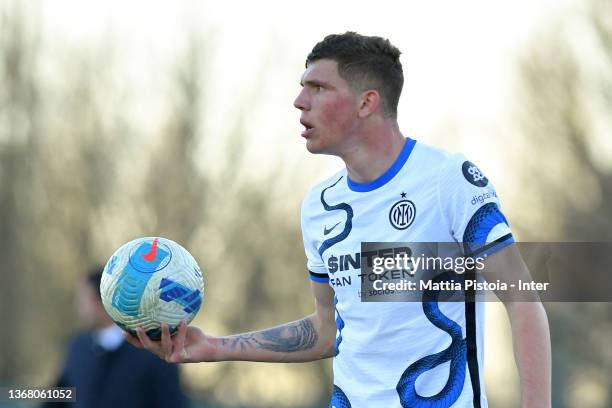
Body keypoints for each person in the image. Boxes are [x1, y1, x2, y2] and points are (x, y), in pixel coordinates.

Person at [126, 32, 551, 407]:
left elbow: (522, 300)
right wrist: (215, 346)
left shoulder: (447, 181)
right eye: (301, 87)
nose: (299, 101)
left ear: (367, 102)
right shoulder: (319, 205)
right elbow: (328, 330)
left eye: (318, 87)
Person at [44, 267, 187, 408]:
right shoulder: (78, 347)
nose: (79, 307)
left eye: (83, 299)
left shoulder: (153, 352)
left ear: (101, 300)